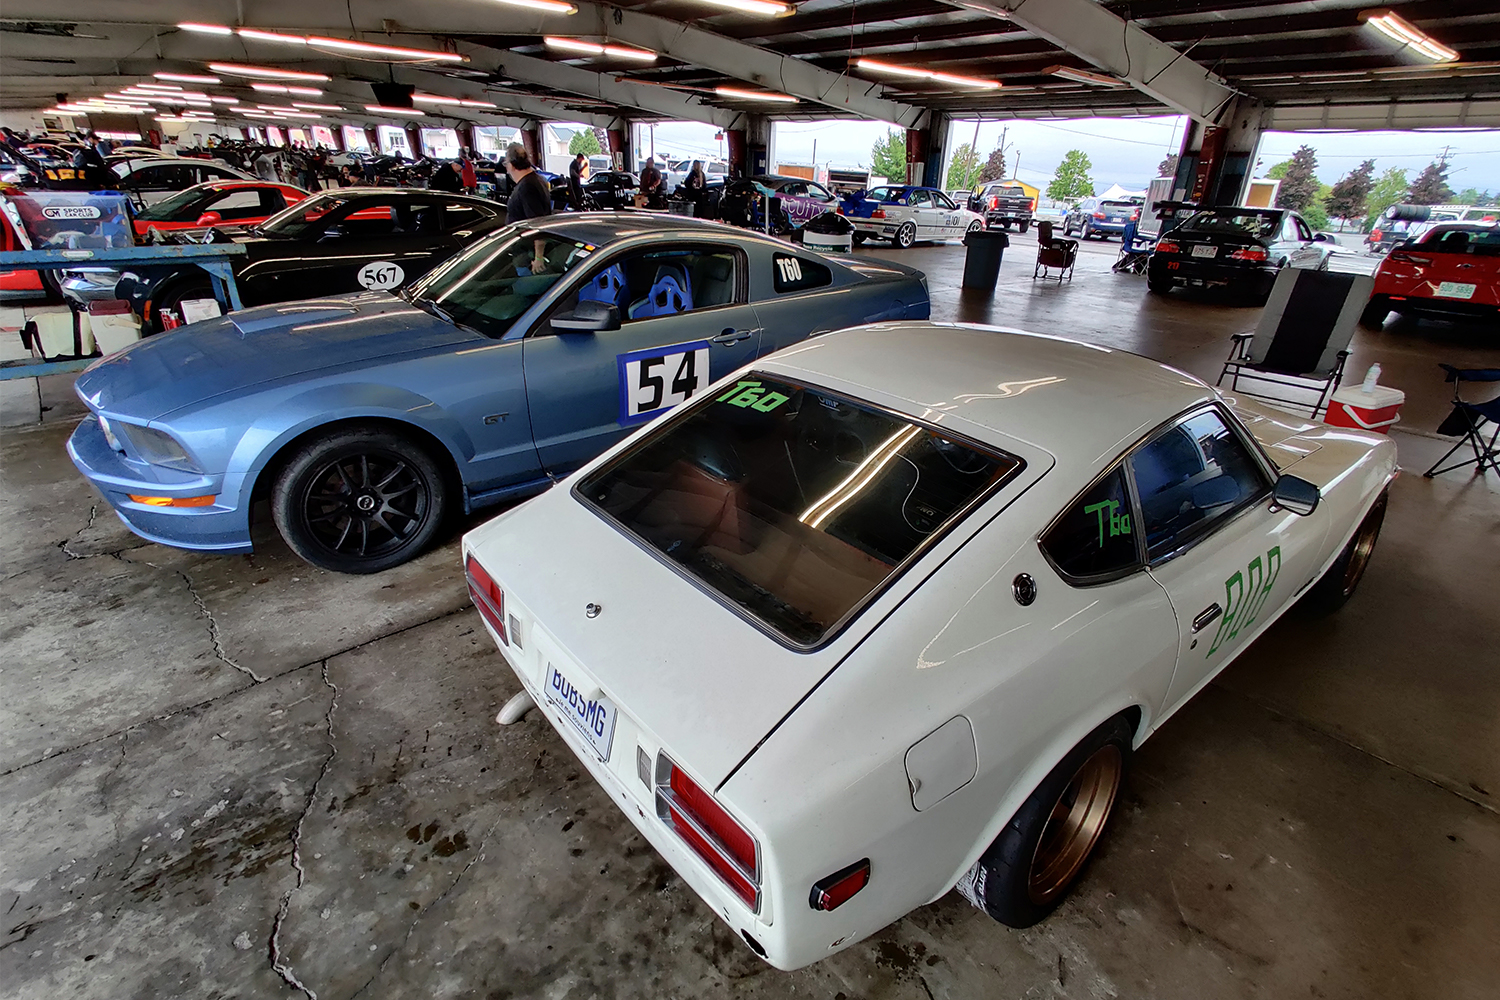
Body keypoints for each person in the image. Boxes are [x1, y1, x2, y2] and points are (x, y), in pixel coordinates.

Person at [504, 142, 551, 224]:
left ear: (511, 165)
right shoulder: (537, 180)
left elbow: (535, 222)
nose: (507, 170)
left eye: (506, 164)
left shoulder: (527, 187)